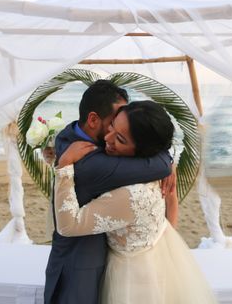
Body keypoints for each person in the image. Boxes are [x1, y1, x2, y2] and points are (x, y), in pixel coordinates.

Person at [54, 100, 217, 304]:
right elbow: (172, 200)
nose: (107, 138)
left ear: (142, 151)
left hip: (132, 274)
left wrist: (64, 167)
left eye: (120, 139)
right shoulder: (156, 168)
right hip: (163, 250)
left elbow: (69, 225)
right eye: (112, 125)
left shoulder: (130, 195)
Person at [44, 81, 173, 304]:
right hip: (80, 268)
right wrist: (168, 161)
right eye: (114, 121)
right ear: (93, 119)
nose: (117, 128)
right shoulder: (91, 165)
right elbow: (158, 165)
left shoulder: (70, 134)